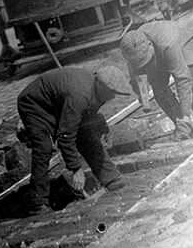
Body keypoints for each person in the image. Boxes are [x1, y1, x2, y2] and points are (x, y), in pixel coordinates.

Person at [17, 66, 129, 214]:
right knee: (43, 148)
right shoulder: (80, 95)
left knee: (86, 134)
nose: (113, 97)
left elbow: (88, 117)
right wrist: (76, 169)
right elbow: (65, 136)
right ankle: (37, 202)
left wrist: (102, 127)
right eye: (112, 92)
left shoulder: (97, 91)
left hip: (58, 101)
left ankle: (110, 178)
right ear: (100, 84)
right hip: (34, 103)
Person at [121, 21, 193, 136]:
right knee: (159, 91)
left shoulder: (167, 44)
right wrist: (141, 93)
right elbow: (136, 78)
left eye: (146, 61)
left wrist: (186, 113)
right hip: (157, 51)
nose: (144, 65)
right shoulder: (132, 48)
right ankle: (183, 127)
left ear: (149, 45)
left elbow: (183, 79)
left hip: (181, 41)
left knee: (191, 81)